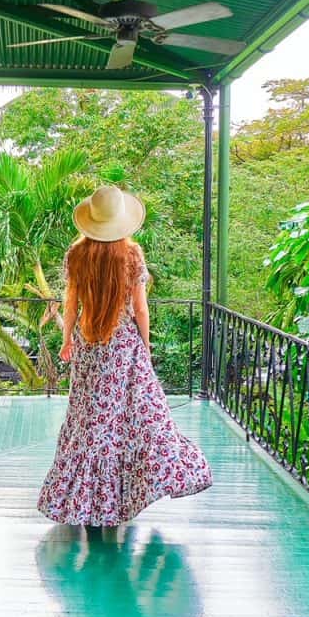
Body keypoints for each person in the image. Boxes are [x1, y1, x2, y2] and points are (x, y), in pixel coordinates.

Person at [37, 184, 213, 527]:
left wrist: (67, 340)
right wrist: (144, 348)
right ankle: (130, 493)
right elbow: (141, 310)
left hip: (89, 345)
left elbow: (71, 304)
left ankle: (85, 502)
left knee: (89, 421)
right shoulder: (131, 255)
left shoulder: (76, 255)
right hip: (123, 346)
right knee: (140, 418)